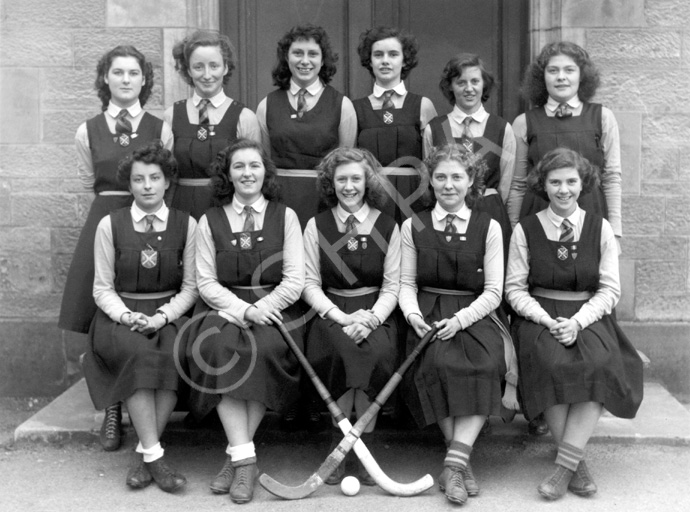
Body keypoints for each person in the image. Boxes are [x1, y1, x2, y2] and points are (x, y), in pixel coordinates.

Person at [505, 147, 643, 500]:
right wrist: (547, 320)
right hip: (539, 315)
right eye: (555, 182)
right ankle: (576, 462)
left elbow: (610, 289)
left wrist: (578, 322)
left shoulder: (601, 228)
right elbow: (514, 289)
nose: (563, 189)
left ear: (583, 185)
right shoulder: (527, 228)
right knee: (549, 363)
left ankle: (564, 466)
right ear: (543, 185)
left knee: (596, 363)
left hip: (589, 313)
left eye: (570, 181)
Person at [59, 45, 173, 452]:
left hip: (148, 223)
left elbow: (164, 178)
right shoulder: (86, 130)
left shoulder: (161, 127)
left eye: (133, 73)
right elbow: (87, 181)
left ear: (145, 80)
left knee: (143, 306)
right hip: (107, 218)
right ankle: (112, 408)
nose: (126, 80)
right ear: (105, 79)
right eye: (118, 73)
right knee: (103, 318)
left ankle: (151, 399)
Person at [185, 139, 304, 504]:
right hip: (224, 309)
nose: (247, 173)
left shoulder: (285, 216)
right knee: (220, 349)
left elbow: (295, 279)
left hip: (275, 307)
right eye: (239, 167)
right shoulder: (211, 219)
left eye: (254, 165)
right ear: (228, 174)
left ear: (265, 172)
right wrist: (244, 310)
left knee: (265, 349)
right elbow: (205, 281)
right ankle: (245, 458)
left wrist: (263, 308)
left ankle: (236, 455)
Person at [399, 144, 518, 505]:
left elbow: (494, 290)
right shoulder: (413, 224)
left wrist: (461, 319)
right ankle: (460, 460)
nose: (448, 185)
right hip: (428, 311)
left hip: (476, 313)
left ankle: (453, 462)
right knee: (438, 364)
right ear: (430, 182)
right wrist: (414, 316)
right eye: (440, 177)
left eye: (456, 177)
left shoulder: (490, 226)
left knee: (484, 364)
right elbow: (406, 284)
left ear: (471, 182)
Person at [82, 142, 197, 493]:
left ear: (167, 182)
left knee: (174, 359)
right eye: (138, 179)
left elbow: (191, 288)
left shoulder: (185, 224)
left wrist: (162, 317)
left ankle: (145, 453)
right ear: (128, 184)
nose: (147, 186)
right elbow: (101, 289)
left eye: (154, 178)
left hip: (169, 315)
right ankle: (155, 458)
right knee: (139, 355)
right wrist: (127, 315)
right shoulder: (109, 225)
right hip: (120, 317)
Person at [302, 147, 400, 485]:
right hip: (332, 312)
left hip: (375, 311)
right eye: (341, 179)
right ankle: (341, 441)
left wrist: (371, 319)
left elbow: (393, 285)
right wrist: (340, 318)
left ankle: (362, 443)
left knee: (374, 351)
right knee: (340, 351)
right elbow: (309, 284)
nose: (349, 186)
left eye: (356, 178)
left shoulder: (387, 226)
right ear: (331, 183)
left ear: (367, 181)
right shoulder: (317, 225)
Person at [506, 41, 622, 243]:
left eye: (569, 70)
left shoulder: (603, 118)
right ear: (541, 77)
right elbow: (518, 185)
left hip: (590, 215)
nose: (561, 77)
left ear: (581, 75)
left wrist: (614, 232)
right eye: (553, 70)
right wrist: (514, 230)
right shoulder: (523, 123)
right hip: (538, 218)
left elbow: (611, 177)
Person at [256, 24, 357, 228]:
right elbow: (263, 162)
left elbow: (346, 162)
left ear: (322, 60)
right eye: (297, 53)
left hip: (324, 204)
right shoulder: (266, 105)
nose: (305, 61)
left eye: (312, 54)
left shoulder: (342, 106)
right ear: (286, 57)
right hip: (278, 204)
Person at [424, 53, 515, 260]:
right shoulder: (435, 129)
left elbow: (507, 184)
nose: (469, 88)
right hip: (448, 211)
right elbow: (430, 178)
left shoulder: (502, 128)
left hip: (489, 210)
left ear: (484, 85)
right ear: (450, 87)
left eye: (475, 81)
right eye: (461, 82)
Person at [166, 30, 261, 220]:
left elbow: (256, 175)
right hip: (181, 209)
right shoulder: (171, 116)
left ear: (225, 68)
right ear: (188, 69)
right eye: (199, 67)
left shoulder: (244, 117)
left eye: (214, 66)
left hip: (227, 210)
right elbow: (164, 173)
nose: (207, 75)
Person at [353, 26, 437, 224]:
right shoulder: (355, 108)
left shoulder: (422, 106)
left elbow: (433, 162)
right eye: (378, 55)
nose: (385, 61)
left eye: (393, 54)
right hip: (371, 198)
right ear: (369, 60)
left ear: (404, 60)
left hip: (413, 200)